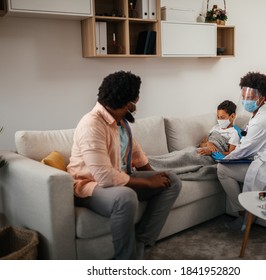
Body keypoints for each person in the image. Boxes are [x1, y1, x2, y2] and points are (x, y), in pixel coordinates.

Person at [67, 71, 182, 260]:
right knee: (125, 197)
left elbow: (136, 154)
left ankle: (140, 241)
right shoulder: (92, 124)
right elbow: (104, 176)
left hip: (118, 175)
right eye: (136, 98)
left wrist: (157, 177)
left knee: (172, 181)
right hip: (88, 185)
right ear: (130, 102)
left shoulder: (121, 121)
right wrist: (148, 183)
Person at [217, 72, 266, 231]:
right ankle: (245, 214)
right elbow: (247, 143)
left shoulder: (263, 119)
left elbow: (245, 149)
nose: (245, 99)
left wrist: (223, 159)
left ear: (262, 98)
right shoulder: (258, 115)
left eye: (250, 96)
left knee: (222, 169)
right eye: (244, 94)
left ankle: (243, 214)